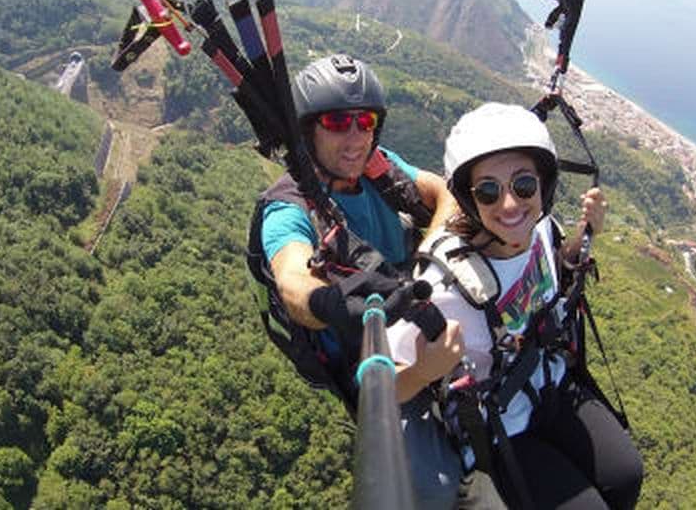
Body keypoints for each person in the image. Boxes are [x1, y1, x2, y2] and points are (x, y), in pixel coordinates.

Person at [388, 102, 643, 509]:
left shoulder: (542, 230)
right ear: (468, 199)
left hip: (551, 383)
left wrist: (585, 233)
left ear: (544, 185)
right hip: (500, 425)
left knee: (626, 477)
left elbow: (553, 273)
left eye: (523, 185)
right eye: (488, 191)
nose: (509, 205)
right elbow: (379, 384)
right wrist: (422, 372)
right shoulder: (443, 285)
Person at [248, 53, 463, 505]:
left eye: (365, 121)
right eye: (337, 122)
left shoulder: (379, 167)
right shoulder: (287, 208)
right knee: (433, 490)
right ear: (308, 130)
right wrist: (331, 304)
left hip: (416, 306)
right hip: (367, 350)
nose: (355, 138)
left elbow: (445, 193)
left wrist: (429, 255)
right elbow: (291, 279)